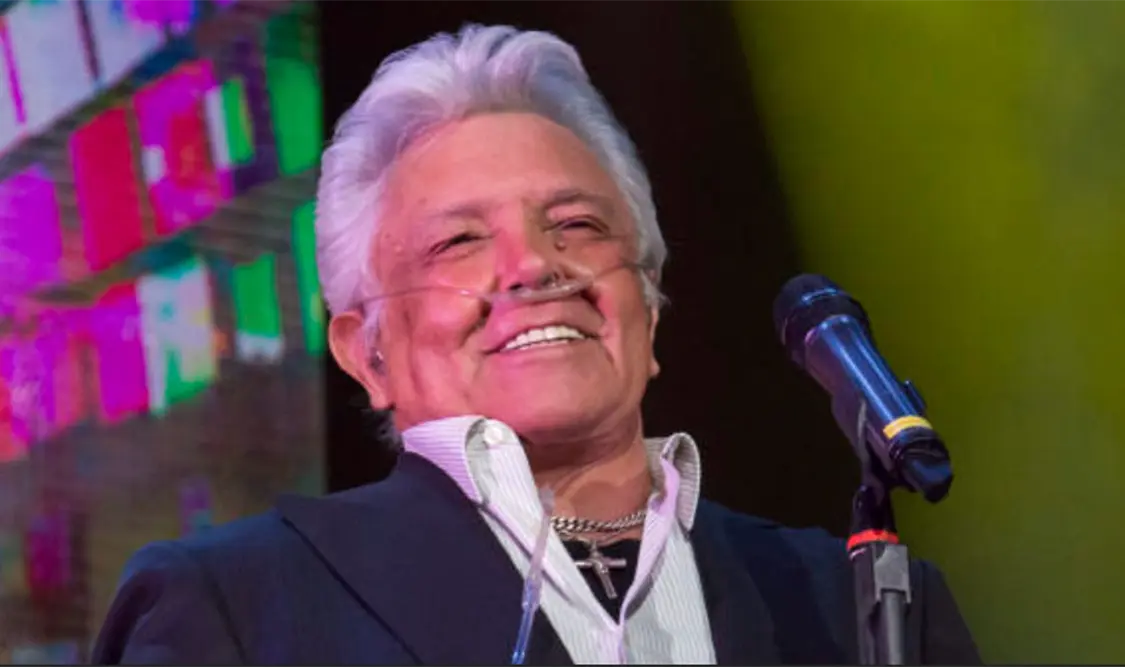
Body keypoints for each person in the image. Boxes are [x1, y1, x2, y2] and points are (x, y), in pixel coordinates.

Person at [93, 24, 980, 665]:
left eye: (578, 224)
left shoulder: (862, 606)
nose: (534, 265)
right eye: (458, 241)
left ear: (647, 308)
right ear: (366, 351)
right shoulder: (239, 604)